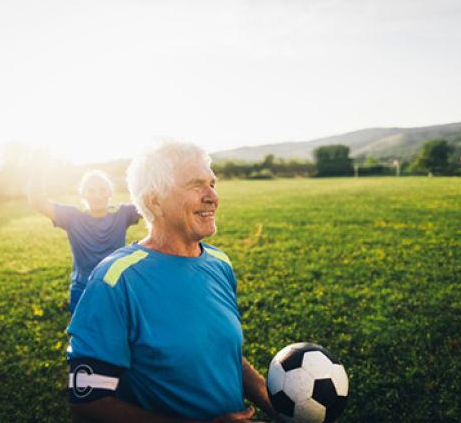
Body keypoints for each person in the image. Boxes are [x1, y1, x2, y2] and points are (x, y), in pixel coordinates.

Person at [66, 141, 278, 422]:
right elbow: (88, 404)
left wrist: (280, 405)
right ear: (155, 202)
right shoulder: (115, 280)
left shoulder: (219, 263)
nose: (212, 196)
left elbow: (224, 358)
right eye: (196, 185)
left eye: (212, 184)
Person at [28, 167, 140, 313]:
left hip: (116, 287)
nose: (97, 195)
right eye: (91, 190)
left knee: (117, 333)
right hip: (83, 289)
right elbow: (37, 202)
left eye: (102, 189)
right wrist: (38, 168)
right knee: (84, 334)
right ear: (83, 194)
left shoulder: (123, 214)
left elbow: (152, 203)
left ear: (110, 192)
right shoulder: (72, 217)